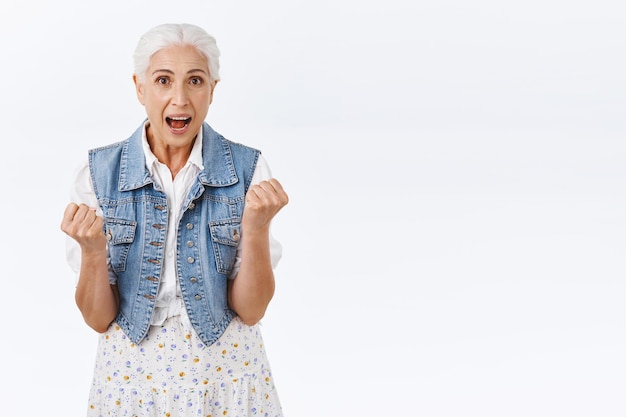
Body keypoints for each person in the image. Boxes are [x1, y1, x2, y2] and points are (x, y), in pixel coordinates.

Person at [61, 23, 288, 417]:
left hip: (227, 379)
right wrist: (93, 251)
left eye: (195, 81)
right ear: (140, 87)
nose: (179, 99)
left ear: (212, 90)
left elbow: (251, 310)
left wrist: (255, 229)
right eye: (163, 80)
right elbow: (99, 319)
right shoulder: (98, 173)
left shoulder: (249, 169)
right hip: (129, 382)